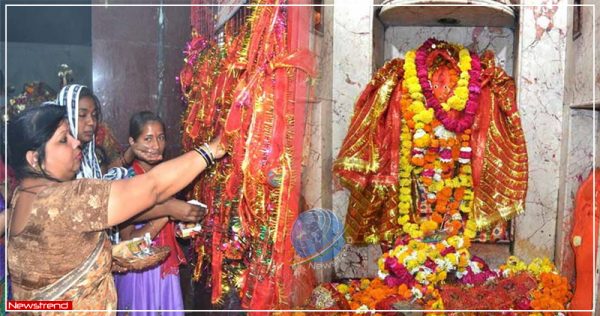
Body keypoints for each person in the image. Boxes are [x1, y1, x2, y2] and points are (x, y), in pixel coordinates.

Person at [6, 104, 225, 311]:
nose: (76, 143)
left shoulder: (21, 195)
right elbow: (153, 187)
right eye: (64, 139)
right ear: (35, 159)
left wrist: (106, 254)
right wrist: (211, 150)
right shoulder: (66, 199)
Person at [56, 84, 204, 228]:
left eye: (94, 115)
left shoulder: (92, 156)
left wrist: (131, 152)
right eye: (82, 115)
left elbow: (103, 181)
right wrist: (167, 210)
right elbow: (102, 209)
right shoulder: (58, 165)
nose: (91, 122)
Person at [114, 111, 186, 314]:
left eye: (161, 137)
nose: (156, 145)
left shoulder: (169, 176)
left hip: (166, 267)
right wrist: (167, 214)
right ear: (132, 142)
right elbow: (128, 241)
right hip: (140, 274)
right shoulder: (126, 181)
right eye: (148, 138)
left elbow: (173, 224)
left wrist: (181, 227)